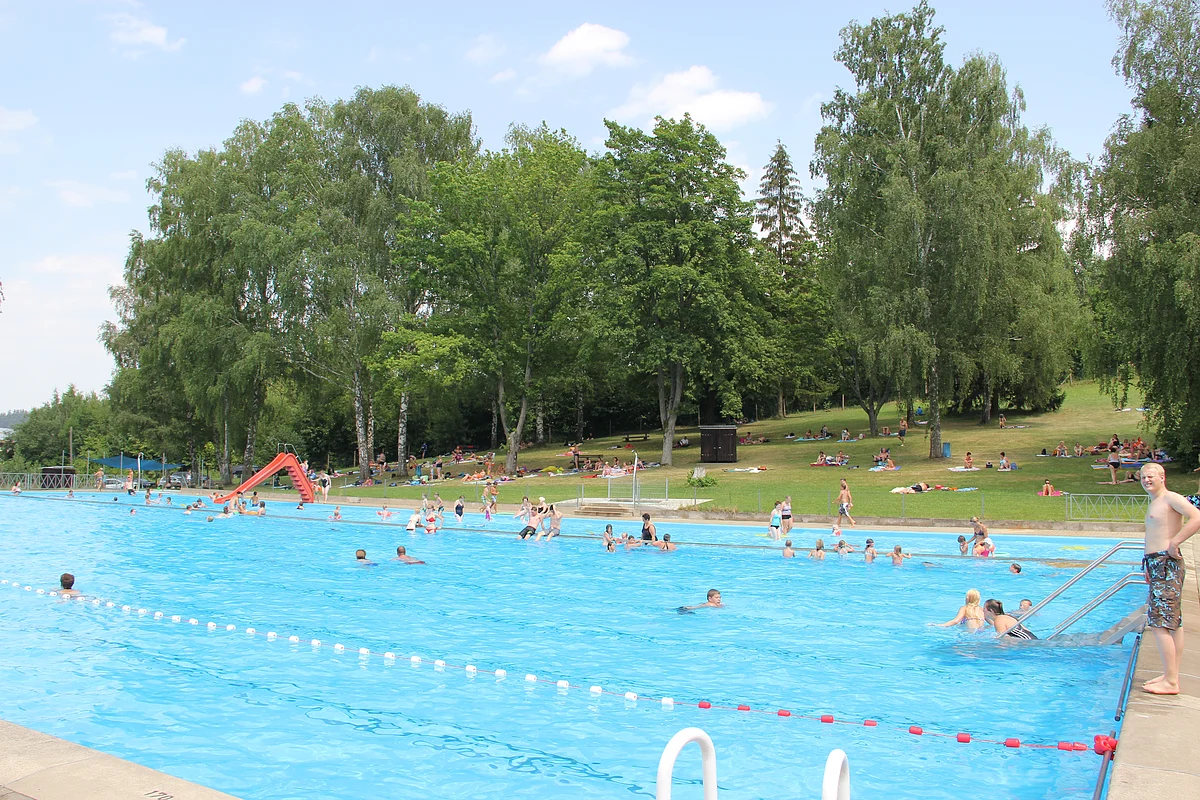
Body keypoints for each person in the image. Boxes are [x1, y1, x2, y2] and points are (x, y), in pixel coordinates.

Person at [1139, 462, 1200, 694]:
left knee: (1159, 623)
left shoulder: (1170, 498)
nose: (1146, 480)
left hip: (1166, 563)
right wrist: (1147, 564)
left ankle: (1172, 681)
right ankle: (1170, 674)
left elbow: (1196, 517)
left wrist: (1175, 542)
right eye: (1143, 477)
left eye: (1151, 476)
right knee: (1174, 623)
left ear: (1162, 477)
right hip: (1157, 564)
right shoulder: (1156, 502)